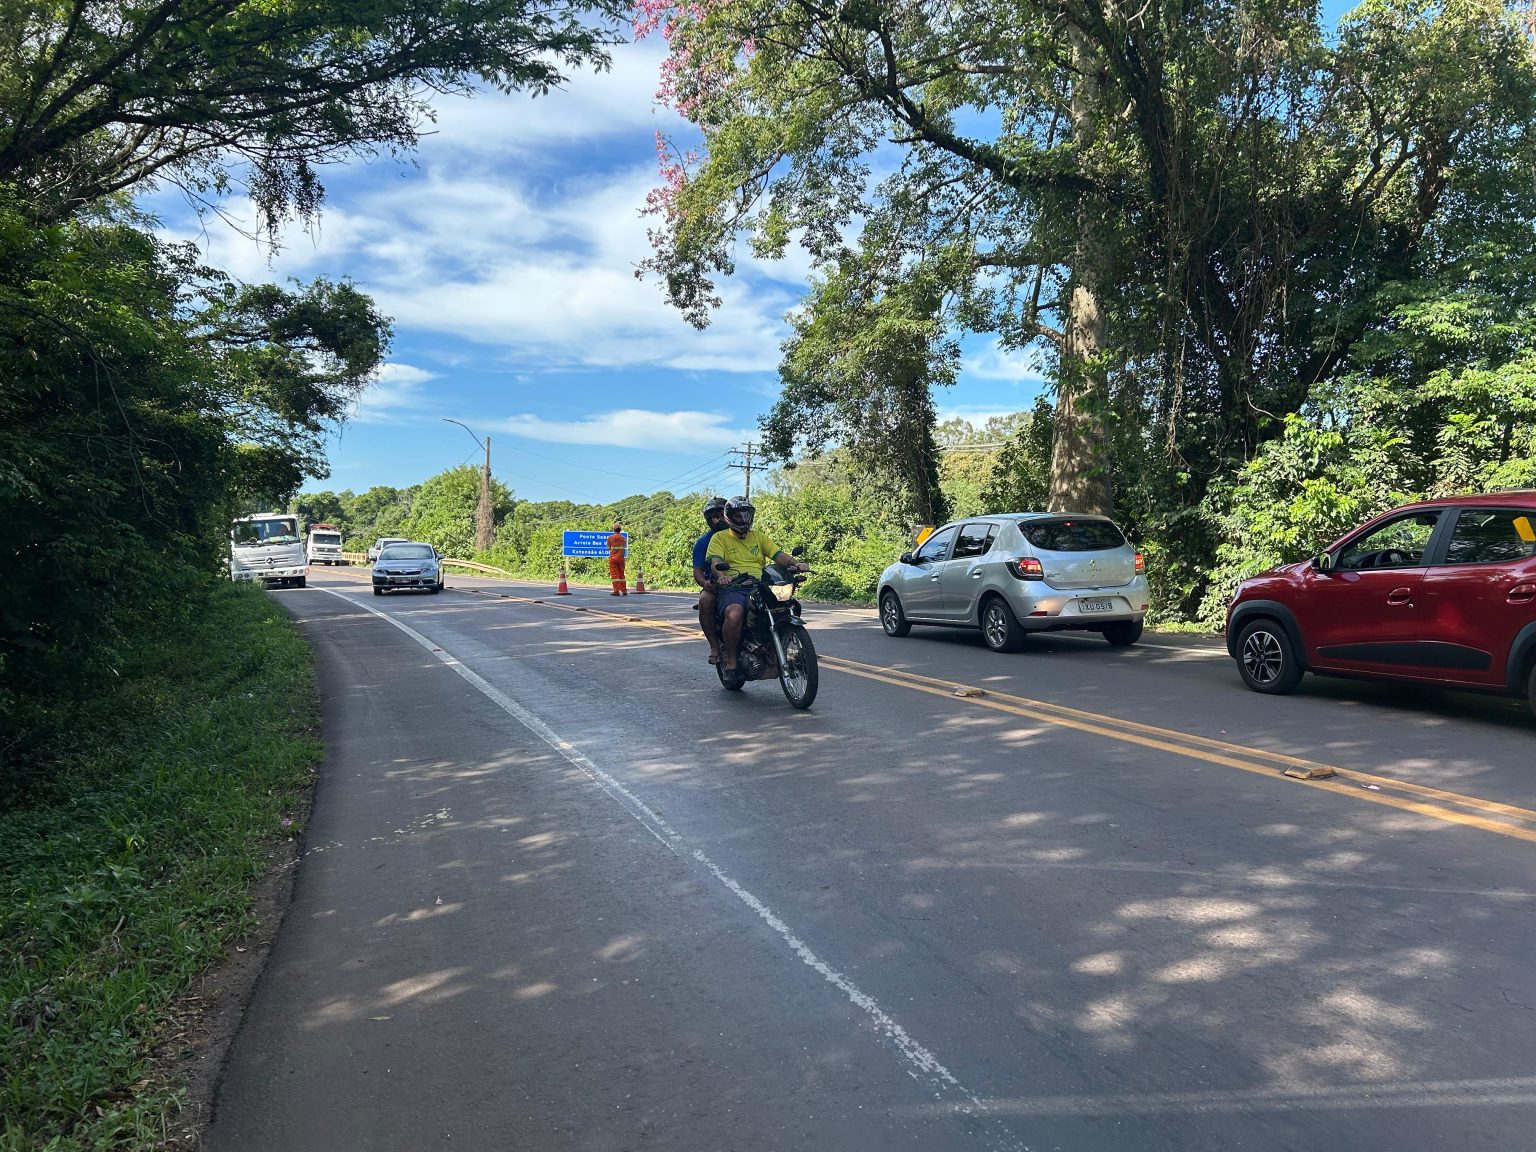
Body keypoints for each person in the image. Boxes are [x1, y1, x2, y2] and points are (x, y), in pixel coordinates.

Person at [706, 496, 804, 680]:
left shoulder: (758, 536)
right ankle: (732, 662)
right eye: (738, 516)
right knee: (734, 613)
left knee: (790, 606)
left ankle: (786, 649)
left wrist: (796, 564)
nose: (743, 519)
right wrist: (722, 576)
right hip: (735, 586)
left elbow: (778, 555)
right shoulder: (720, 538)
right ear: (729, 517)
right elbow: (715, 562)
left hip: (761, 585)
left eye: (746, 515)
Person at [692, 497, 728, 664]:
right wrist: (705, 584)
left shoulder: (744, 535)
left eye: (721, 515)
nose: (718, 520)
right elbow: (698, 570)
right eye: (714, 517)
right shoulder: (703, 542)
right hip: (716, 584)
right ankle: (714, 646)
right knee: (705, 601)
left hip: (747, 580)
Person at [606, 522, 627, 596]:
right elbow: (624, 547)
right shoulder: (623, 538)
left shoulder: (610, 538)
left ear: (614, 530)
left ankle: (616, 591)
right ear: (620, 530)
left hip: (613, 559)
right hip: (621, 558)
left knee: (614, 575)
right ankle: (624, 590)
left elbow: (608, 548)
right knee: (622, 575)